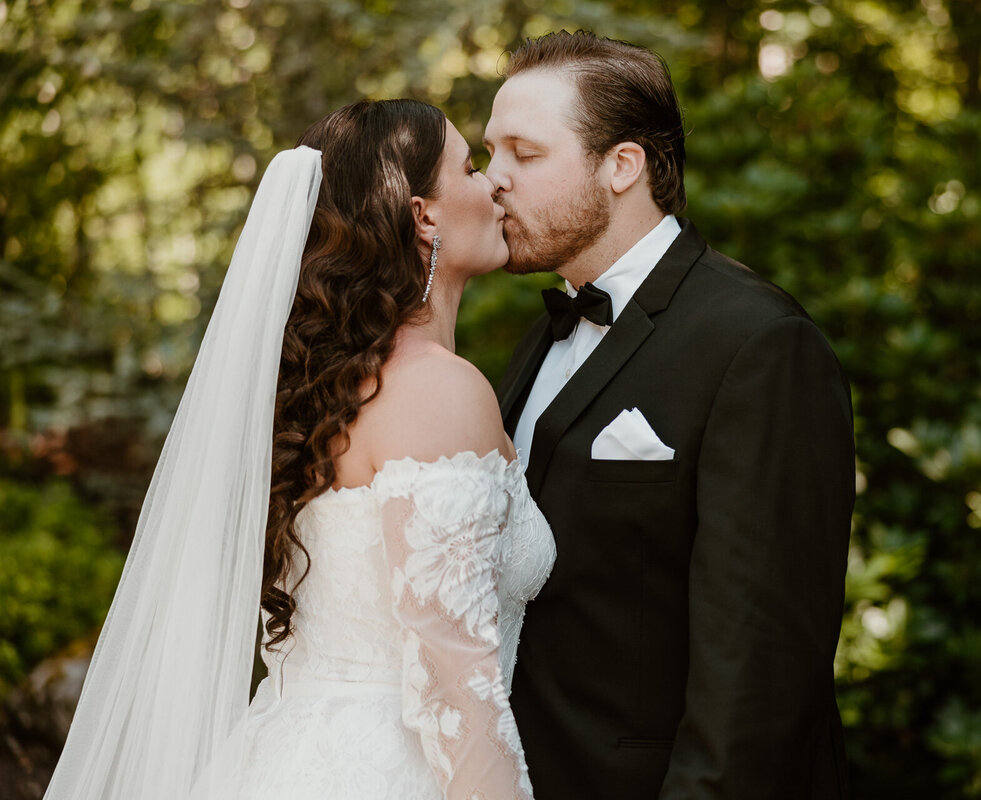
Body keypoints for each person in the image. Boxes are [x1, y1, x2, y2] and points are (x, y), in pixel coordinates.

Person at [43, 99, 554, 800]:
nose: (494, 184)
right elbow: (454, 685)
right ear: (423, 215)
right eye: (469, 167)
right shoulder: (439, 392)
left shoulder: (323, 395)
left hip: (282, 755)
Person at [485, 31, 855, 799]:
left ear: (623, 165)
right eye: (491, 154)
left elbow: (761, 663)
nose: (493, 181)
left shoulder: (757, 343)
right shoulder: (541, 338)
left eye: (524, 154)